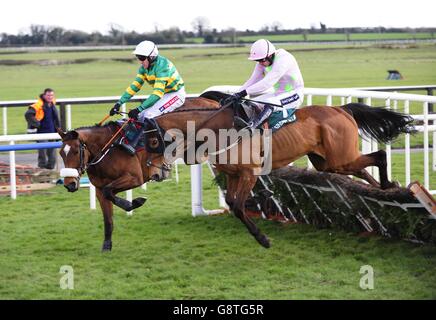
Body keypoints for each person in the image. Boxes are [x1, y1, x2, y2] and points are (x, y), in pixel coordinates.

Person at [109, 40, 185, 154]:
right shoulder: (144, 68)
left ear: (151, 57)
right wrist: (119, 103)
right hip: (165, 94)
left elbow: (157, 93)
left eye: (141, 58)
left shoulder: (163, 66)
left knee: (148, 115)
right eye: (138, 57)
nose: (140, 61)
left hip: (176, 94)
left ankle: (160, 146)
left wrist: (139, 108)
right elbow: (135, 86)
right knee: (139, 116)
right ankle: (137, 143)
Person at [226, 39, 305, 130]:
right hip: (278, 94)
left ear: (270, 55)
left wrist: (244, 93)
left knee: (270, 104)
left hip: (295, 94)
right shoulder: (263, 60)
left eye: (261, 60)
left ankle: (252, 127)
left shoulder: (284, 59)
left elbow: (267, 83)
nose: (260, 63)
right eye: (258, 61)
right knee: (251, 103)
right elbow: (253, 80)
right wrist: (236, 94)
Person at [25, 88, 61, 169]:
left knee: (52, 155)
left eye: (51, 95)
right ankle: (42, 171)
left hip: (52, 133)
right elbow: (28, 114)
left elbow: (56, 119)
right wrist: (37, 124)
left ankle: (50, 171)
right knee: (42, 154)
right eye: (48, 95)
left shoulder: (52, 104)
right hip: (41, 134)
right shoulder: (38, 105)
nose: (50, 97)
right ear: (44, 96)